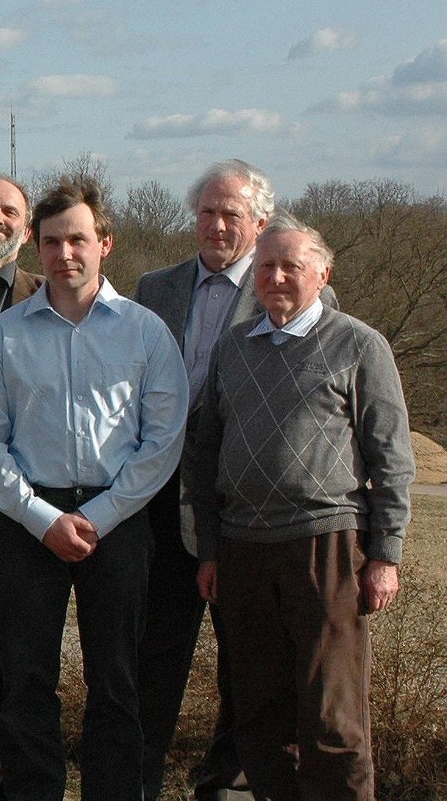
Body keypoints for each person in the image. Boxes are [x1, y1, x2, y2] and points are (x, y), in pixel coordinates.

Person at [0, 178, 187, 801]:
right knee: (27, 681)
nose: (66, 254)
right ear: (37, 247)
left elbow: (161, 441)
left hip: (118, 521)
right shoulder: (4, 336)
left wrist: (102, 516)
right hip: (29, 520)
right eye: (54, 241)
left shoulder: (145, 334)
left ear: (105, 243)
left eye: (79, 239)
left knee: (117, 682)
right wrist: (42, 519)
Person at [187, 218, 413, 801]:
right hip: (242, 549)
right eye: (266, 267)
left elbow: (392, 460)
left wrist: (385, 556)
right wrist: (209, 550)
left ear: (322, 273)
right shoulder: (234, 347)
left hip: (326, 545)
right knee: (260, 715)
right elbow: (205, 450)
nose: (277, 277)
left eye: (291, 266)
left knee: (332, 716)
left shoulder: (359, 344)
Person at [133, 160, 332, 801]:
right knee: (154, 658)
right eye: (207, 213)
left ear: (260, 222)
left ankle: (226, 784)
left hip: (244, 510)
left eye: (232, 214)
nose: (217, 225)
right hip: (159, 502)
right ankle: (137, 782)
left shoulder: (290, 293)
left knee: (248, 667)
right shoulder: (154, 289)